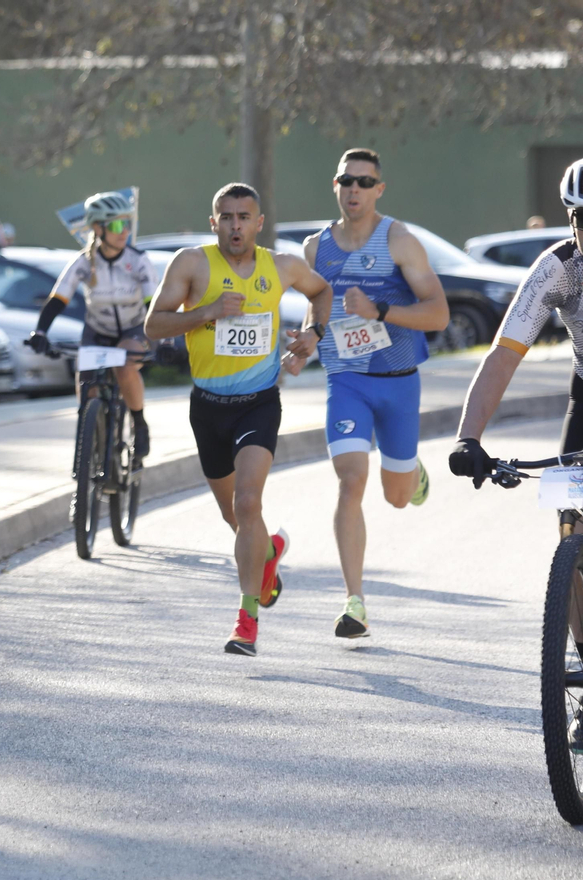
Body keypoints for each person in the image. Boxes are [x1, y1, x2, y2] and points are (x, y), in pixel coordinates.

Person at [145, 183, 332, 656]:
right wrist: (205, 312)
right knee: (236, 516)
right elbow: (154, 325)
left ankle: (246, 620)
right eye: (226, 217)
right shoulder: (191, 263)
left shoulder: (282, 265)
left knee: (249, 503)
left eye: (243, 217)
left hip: (258, 403)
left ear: (258, 222)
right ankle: (267, 554)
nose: (235, 226)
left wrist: (314, 333)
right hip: (208, 408)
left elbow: (322, 291)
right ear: (214, 223)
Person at [282, 148, 448, 640]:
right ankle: (354, 601)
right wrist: (306, 343)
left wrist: (381, 309)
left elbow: (437, 314)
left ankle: (411, 472)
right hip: (347, 382)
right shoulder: (316, 249)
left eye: (363, 181)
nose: (353, 189)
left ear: (379, 189)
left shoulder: (399, 240)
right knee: (351, 480)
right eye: (345, 181)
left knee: (396, 498)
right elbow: (316, 313)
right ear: (335, 186)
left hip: (398, 384)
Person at [451, 159, 583, 531]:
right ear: (572, 222)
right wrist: (468, 438)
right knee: (571, 510)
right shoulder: (558, 268)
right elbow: (504, 355)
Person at [27, 191, 159, 458]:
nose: (125, 232)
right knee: (87, 386)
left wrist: (165, 339)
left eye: (128, 224)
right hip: (97, 332)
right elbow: (57, 299)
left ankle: (139, 422)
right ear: (98, 228)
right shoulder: (84, 262)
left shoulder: (138, 261)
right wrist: (40, 331)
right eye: (117, 225)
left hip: (133, 328)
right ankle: (90, 444)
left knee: (124, 366)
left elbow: (152, 304)